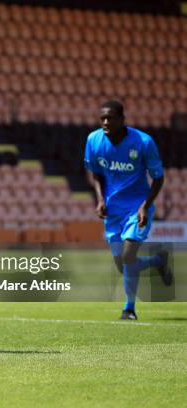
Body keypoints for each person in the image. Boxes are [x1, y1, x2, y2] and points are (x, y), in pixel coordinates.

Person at [84, 100, 173, 320]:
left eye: (110, 117)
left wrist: (145, 205)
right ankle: (158, 261)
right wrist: (100, 199)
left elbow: (159, 178)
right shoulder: (93, 140)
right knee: (123, 266)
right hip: (113, 211)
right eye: (102, 118)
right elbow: (95, 173)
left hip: (137, 208)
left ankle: (129, 308)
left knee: (128, 256)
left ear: (122, 119)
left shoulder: (143, 142)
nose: (105, 122)